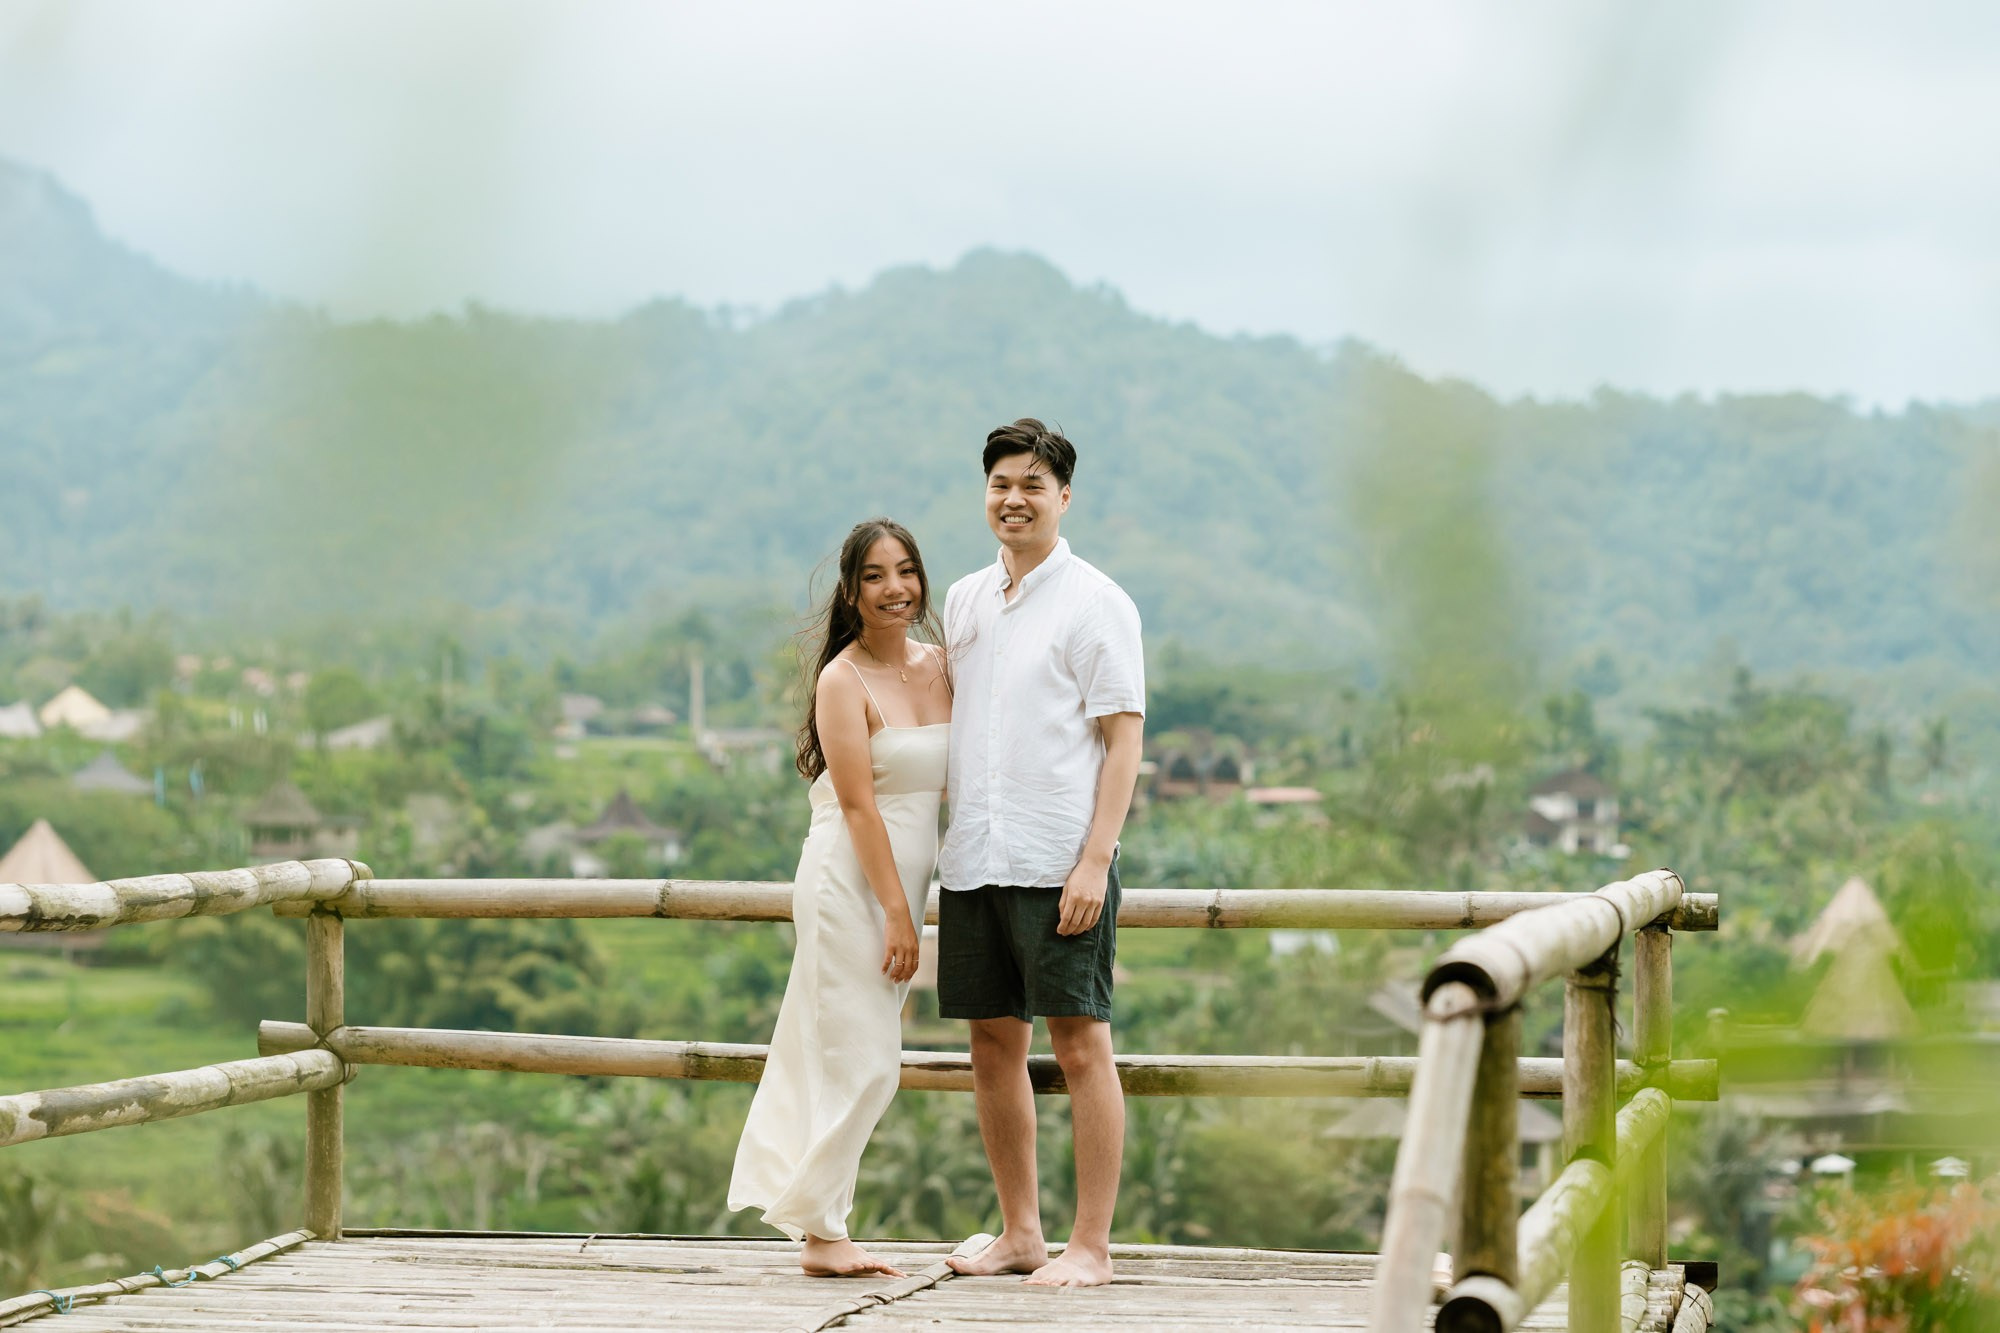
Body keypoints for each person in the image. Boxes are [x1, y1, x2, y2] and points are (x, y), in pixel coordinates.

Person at [936, 419, 1146, 1288]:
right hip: (975, 855)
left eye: (1032, 484)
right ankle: (1020, 1232)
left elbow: (1123, 737)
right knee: (992, 1042)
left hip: (1061, 860)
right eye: (999, 484)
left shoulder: (1097, 600)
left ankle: (1089, 1245)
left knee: (1081, 1043)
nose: (1013, 499)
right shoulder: (964, 598)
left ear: (1064, 496)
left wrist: (1096, 859)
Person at [728, 518, 952, 1277]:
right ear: (852, 594)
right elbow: (858, 806)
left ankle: (825, 1226)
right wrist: (900, 912)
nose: (896, 589)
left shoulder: (945, 667)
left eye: (907, 571)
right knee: (864, 1061)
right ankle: (821, 1230)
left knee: (843, 1051)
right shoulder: (842, 678)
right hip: (846, 881)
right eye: (875, 576)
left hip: (903, 882)